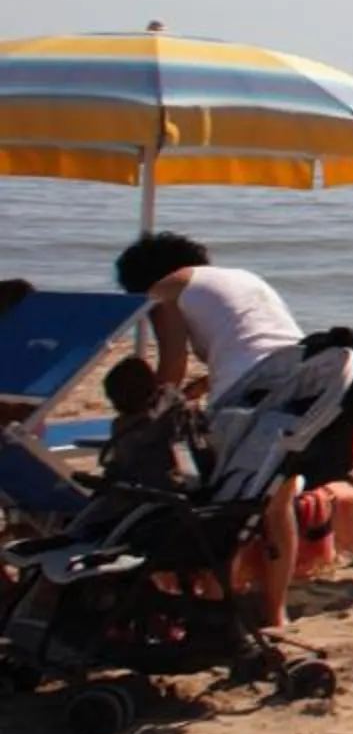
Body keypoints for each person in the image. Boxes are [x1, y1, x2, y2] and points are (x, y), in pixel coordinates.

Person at [113, 232, 304, 628]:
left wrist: (147, 416)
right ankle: (274, 612)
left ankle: (217, 604)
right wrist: (205, 385)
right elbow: (255, 341)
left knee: (222, 503)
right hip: (304, 384)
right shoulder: (241, 278)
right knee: (274, 500)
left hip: (246, 394)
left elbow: (171, 363)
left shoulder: (165, 289)